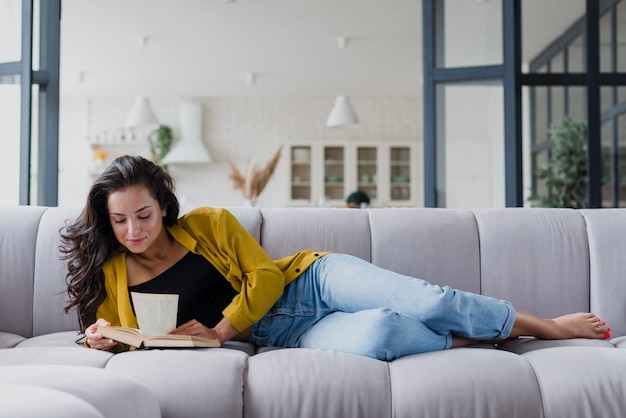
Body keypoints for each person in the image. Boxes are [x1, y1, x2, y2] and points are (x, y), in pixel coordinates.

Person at [61, 155, 611, 360]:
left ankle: (547, 326)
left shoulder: (210, 223)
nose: (133, 230)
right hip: (283, 335)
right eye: (119, 219)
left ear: (163, 207)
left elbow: (265, 280)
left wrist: (222, 331)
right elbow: (111, 330)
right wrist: (99, 336)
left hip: (310, 284)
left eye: (143, 215)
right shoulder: (113, 271)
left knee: (423, 298)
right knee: (382, 336)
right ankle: (475, 339)